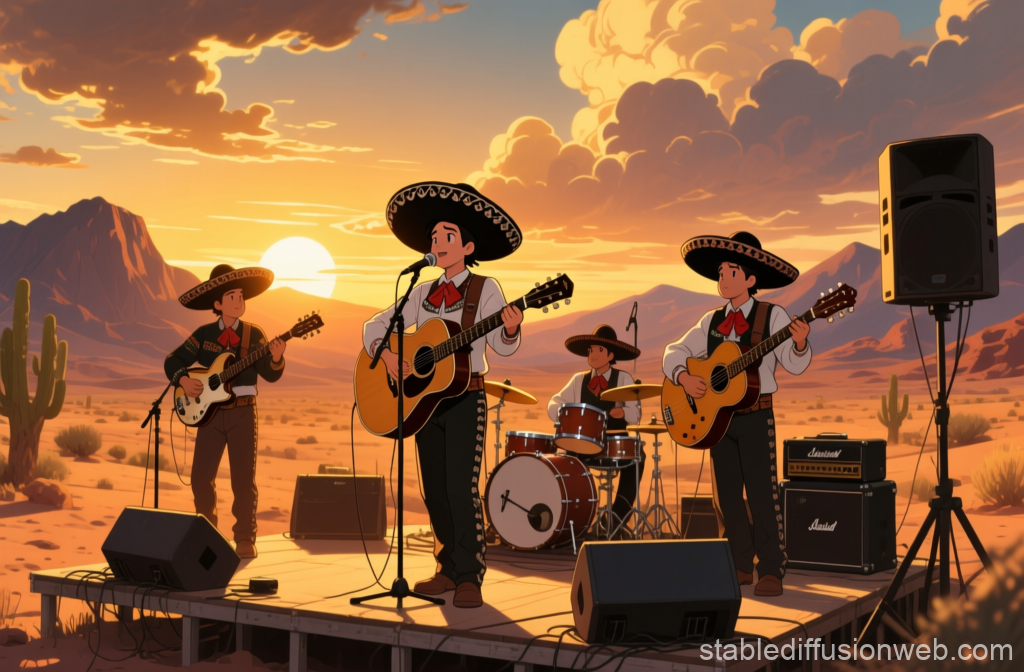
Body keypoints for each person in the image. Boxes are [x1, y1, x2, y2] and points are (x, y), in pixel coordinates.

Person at [362, 181, 524, 608]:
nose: (438, 242)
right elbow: (373, 328)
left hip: (465, 396)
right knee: (433, 488)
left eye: (447, 235)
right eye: (434, 236)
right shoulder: (420, 292)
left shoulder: (485, 289)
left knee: (460, 488)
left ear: (468, 246)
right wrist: (394, 356)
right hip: (423, 402)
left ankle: (469, 574)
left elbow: (501, 347)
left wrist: (508, 327)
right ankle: (446, 569)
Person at [662, 232, 811, 597]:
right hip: (717, 420)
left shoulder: (772, 315)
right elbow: (673, 351)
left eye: (731, 271)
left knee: (763, 494)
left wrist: (801, 341)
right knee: (726, 495)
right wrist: (685, 377)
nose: (723, 278)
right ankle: (740, 564)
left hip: (756, 416)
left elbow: (792, 364)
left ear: (750, 279)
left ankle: (771, 568)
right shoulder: (711, 321)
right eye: (721, 272)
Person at [164, 265, 286, 559]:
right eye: (231, 296)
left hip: (244, 412)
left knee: (243, 479)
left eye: (241, 295)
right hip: (210, 415)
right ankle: (208, 536)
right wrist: (184, 379)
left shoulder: (254, 335)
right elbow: (173, 359)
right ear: (217, 304)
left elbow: (268, 374)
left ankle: (245, 537)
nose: (238, 300)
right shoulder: (203, 335)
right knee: (200, 478)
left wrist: (277, 358)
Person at [547, 325, 642, 533]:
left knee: (638, 457)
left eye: (598, 350)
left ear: (610, 355)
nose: (593, 354)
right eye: (591, 350)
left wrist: (624, 413)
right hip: (583, 444)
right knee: (567, 462)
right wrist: (562, 414)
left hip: (615, 443)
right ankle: (574, 520)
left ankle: (616, 518)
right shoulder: (578, 380)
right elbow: (553, 403)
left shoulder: (624, 379)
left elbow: (636, 414)